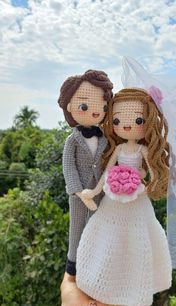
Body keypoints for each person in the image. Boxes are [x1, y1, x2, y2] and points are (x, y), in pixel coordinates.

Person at [76, 87, 173, 306]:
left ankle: (133, 282)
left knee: (137, 236)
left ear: (148, 121)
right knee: (107, 235)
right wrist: (95, 191)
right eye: (118, 120)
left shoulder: (143, 150)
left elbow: (153, 172)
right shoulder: (118, 148)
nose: (126, 126)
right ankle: (100, 279)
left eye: (137, 120)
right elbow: (106, 173)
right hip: (113, 196)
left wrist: (148, 186)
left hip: (136, 197)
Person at [58, 70, 113, 276]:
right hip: (79, 193)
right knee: (77, 226)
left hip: (100, 191)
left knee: (98, 226)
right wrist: (78, 191)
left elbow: (108, 162)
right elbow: (68, 166)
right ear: (71, 107)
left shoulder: (105, 139)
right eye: (84, 106)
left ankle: (94, 262)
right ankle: (73, 263)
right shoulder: (72, 140)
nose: (97, 112)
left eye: (104, 107)